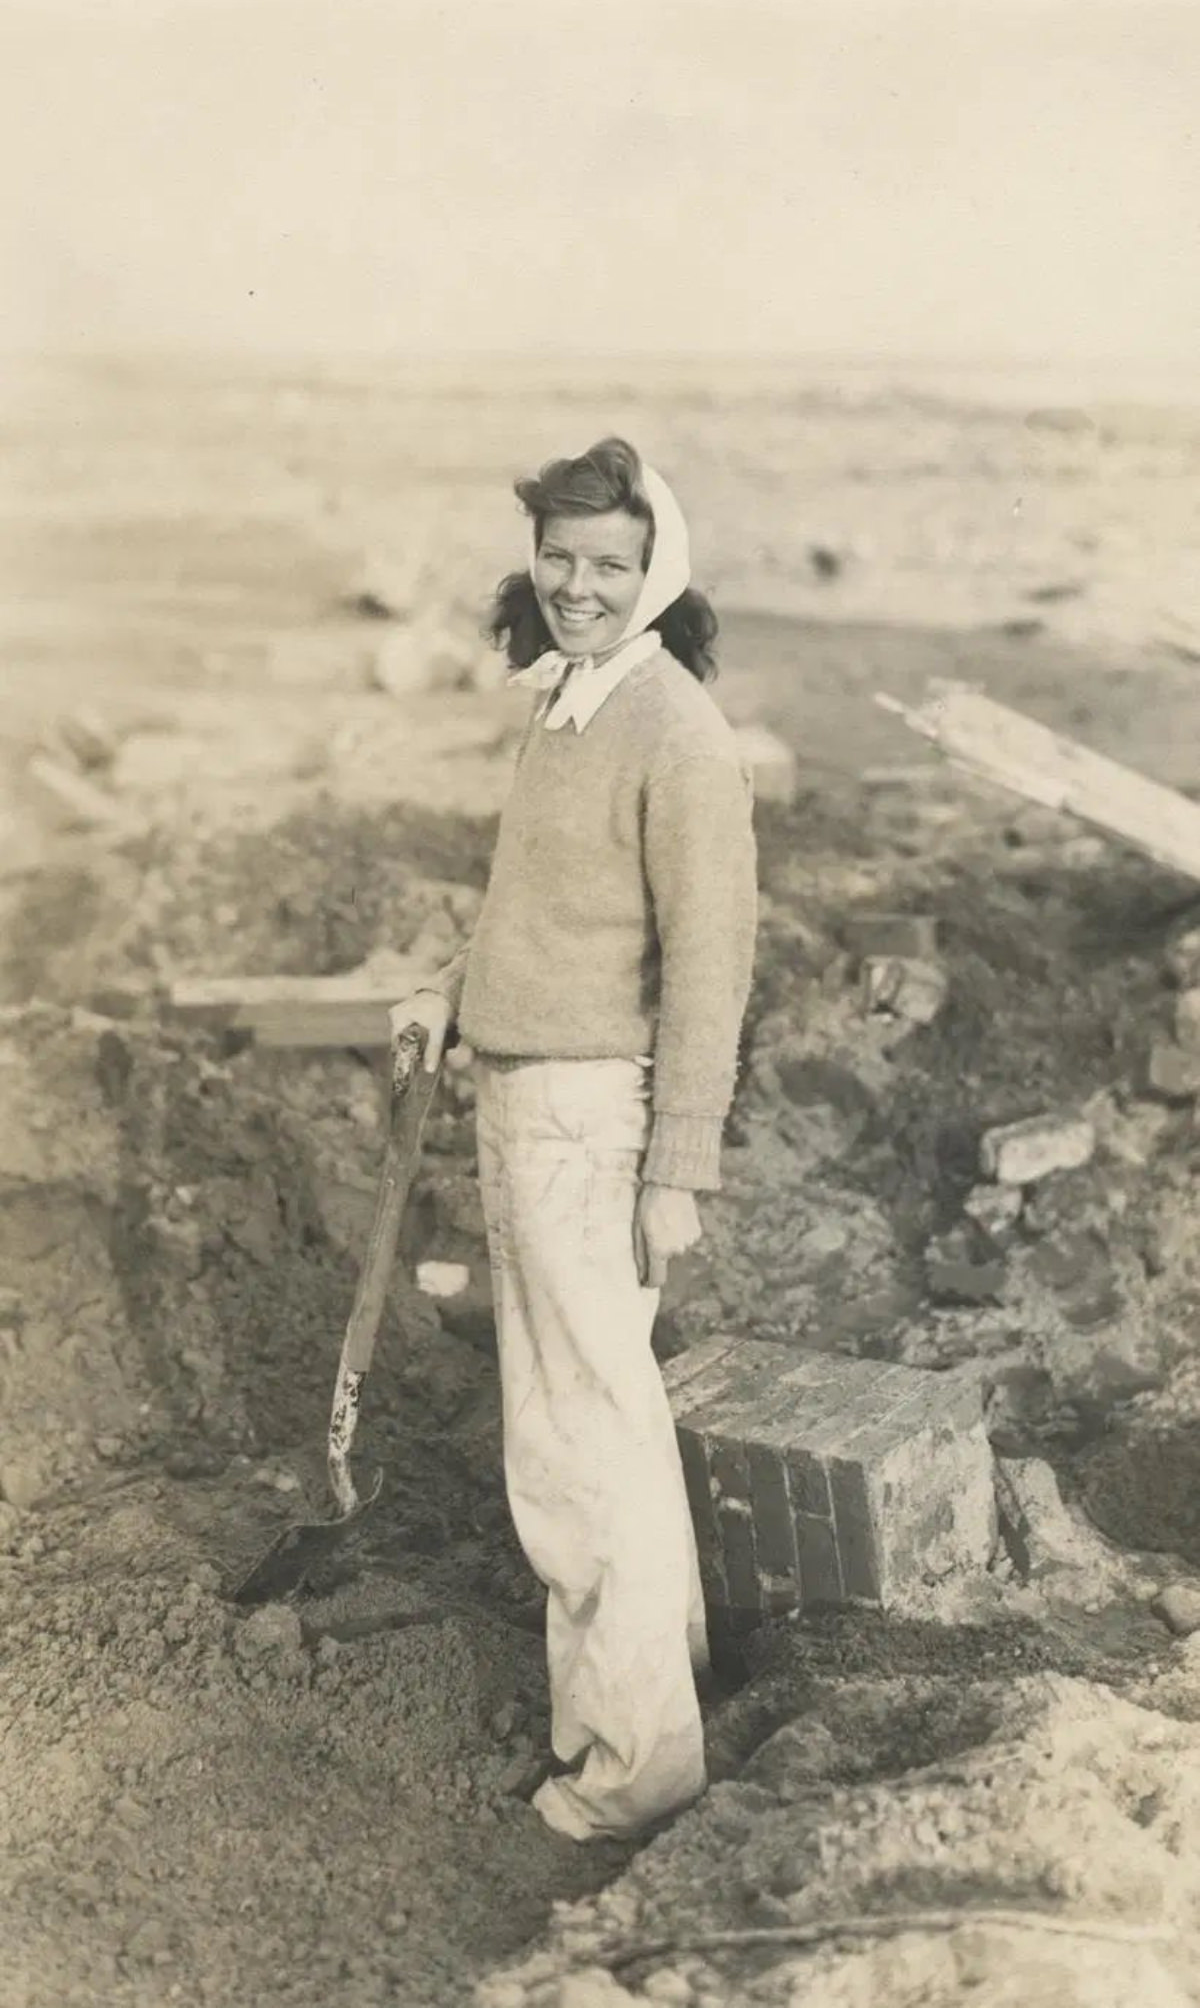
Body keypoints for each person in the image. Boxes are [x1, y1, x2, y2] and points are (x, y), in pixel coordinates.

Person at [387, 436, 758, 1843]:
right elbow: (529, 909)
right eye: (559, 557)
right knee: (596, 1429)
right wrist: (448, 989)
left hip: (591, 1125)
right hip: (524, 1098)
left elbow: (712, 963)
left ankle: (633, 1770)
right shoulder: (564, 705)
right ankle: (650, 1714)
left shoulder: (676, 733)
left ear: (655, 569)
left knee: (578, 1445)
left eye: (609, 564)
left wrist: (678, 1169)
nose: (577, 585)